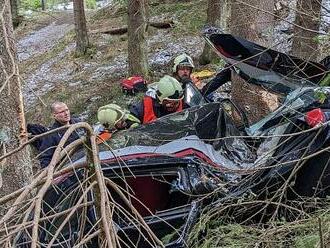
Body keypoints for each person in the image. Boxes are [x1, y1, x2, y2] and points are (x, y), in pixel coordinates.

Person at [38, 102, 82, 168]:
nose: (66, 113)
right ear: (54, 115)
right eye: (62, 112)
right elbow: (45, 159)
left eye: (67, 110)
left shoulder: (79, 123)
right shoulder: (51, 135)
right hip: (71, 167)